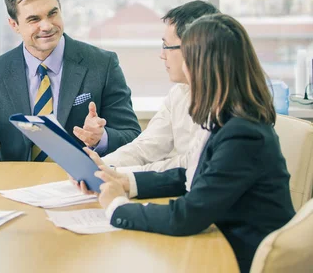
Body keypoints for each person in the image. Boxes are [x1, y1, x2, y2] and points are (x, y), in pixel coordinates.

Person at [89, 14, 295, 273]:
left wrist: (117, 207)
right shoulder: (225, 117)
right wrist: (126, 183)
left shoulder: (243, 134)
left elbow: (187, 216)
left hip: (239, 256)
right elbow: (195, 176)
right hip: (221, 239)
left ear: (203, 68)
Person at [0, 0, 141, 162]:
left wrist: (101, 138)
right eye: (34, 19)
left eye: (52, 13)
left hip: (81, 186)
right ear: (14, 25)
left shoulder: (102, 65)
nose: (47, 26)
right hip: (19, 188)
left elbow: (132, 137)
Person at [101, 1, 218, 179]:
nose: (162, 55)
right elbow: (147, 146)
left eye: (167, 46)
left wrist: (122, 175)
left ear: (194, 48)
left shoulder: (224, 101)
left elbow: (190, 164)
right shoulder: (179, 93)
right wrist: (102, 166)